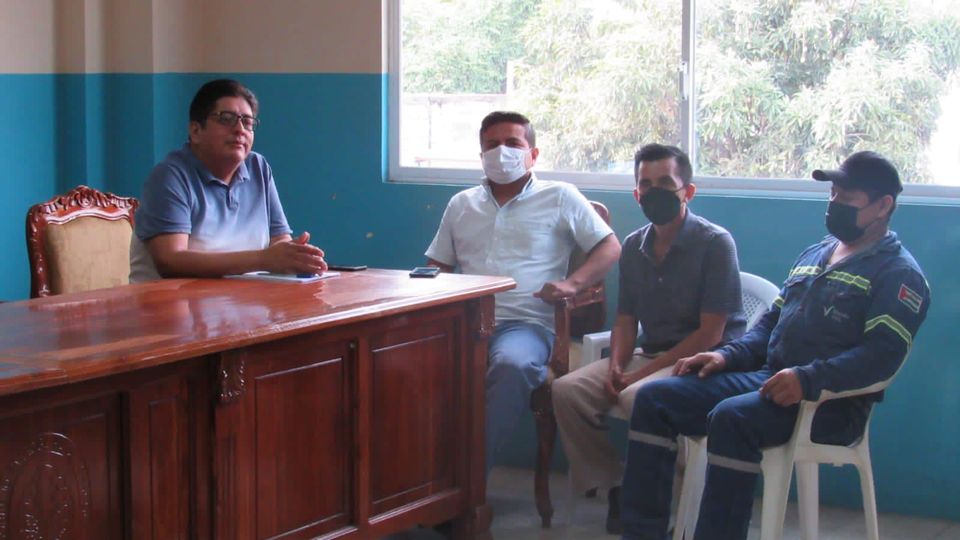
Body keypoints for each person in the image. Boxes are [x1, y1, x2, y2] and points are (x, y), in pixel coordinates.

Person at [620, 151, 930, 540]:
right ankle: (643, 533)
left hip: (829, 405)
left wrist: (807, 379)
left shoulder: (898, 274)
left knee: (733, 417)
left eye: (847, 198)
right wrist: (724, 355)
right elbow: (770, 324)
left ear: (883, 206)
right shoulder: (816, 254)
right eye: (832, 194)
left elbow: (881, 358)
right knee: (655, 399)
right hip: (768, 379)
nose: (834, 203)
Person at [552, 143, 746, 534]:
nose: (654, 192)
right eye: (646, 184)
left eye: (665, 183)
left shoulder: (715, 243)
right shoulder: (634, 246)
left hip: (704, 360)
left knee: (637, 396)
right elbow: (626, 319)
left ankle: (664, 503)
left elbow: (711, 332)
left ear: (688, 191)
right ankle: (618, 488)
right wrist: (617, 364)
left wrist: (638, 376)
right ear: (636, 193)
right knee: (567, 391)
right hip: (651, 355)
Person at [424, 111, 622, 474]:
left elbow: (609, 246)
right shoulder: (461, 204)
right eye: (492, 145)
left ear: (533, 153)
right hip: (466, 322)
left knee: (512, 366)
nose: (502, 152)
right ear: (481, 154)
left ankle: (467, 481)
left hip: (526, 324)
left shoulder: (560, 196)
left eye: (513, 143)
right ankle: (408, 480)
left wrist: (572, 284)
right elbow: (439, 265)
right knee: (396, 361)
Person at [130, 79, 327, 282]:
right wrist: (262, 259)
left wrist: (292, 255)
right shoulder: (170, 177)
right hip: (170, 300)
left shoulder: (258, 167)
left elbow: (278, 240)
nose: (240, 129)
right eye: (226, 119)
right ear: (196, 131)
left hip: (244, 298)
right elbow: (171, 261)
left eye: (247, 122)